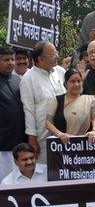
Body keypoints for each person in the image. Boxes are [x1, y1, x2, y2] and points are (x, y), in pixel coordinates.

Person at [20, 41, 66, 164]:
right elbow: (28, 110)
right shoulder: (28, 79)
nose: (57, 56)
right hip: (43, 136)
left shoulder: (60, 72)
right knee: (46, 169)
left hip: (65, 133)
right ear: (40, 59)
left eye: (56, 52)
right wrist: (32, 139)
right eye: (52, 54)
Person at [46, 68, 95, 144]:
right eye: (72, 81)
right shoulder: (57, 100)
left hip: (83, 145)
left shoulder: (89, 100)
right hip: (61, 145)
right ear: (66, 84)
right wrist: (60, 134)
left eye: (79, 81)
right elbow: (48, 122)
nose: (76, 84)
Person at [0, 45, 26, 182]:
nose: (10, 63)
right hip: (3, 146)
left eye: (12, 59)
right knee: (4, 182)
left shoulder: (18, 80)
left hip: (20, 142)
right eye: (6, 60)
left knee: (18, 181)